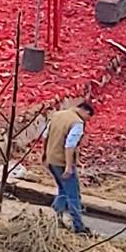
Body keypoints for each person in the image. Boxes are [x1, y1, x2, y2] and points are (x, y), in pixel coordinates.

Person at [43, 99, 94, 234]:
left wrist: (44, 155)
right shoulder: (77, 123)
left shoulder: (57, 115)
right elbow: (70, 145)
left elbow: (45, 136)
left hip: (51, 159)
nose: (87, 121)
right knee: (73, 194)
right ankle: (78, 226)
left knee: (63, 191)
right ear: (85, 111)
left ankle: (54, 219)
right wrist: (69, 166)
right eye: (88, 118)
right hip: (61, 162)